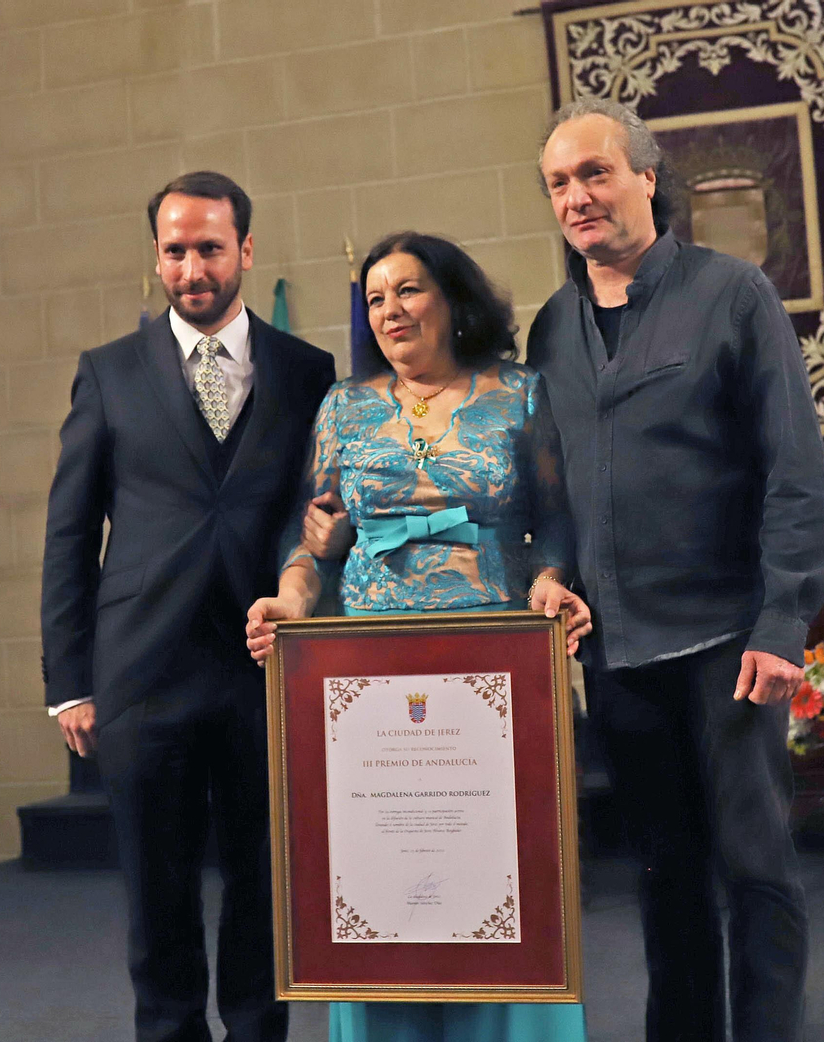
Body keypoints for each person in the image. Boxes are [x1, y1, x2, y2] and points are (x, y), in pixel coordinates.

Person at [526, 98, 824, 1042]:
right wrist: (547, 570)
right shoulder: (548, 330)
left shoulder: (733, 295)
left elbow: (796, 477)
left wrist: (784, 626)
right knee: (665, 884)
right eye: (559, 183)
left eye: (595, 173)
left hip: (728, 648)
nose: (578, 196)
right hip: (617, 658)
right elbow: (548, 493)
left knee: (756, 870)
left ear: (647, 178)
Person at [245, 231, 593, 1042]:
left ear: (452, 298)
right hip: (368, 676)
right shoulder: (343, 406)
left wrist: (553, 579)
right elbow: (312, 538)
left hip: (494, 671)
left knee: (494, 881)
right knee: (385, 881)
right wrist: (290, 602)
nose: (390, 310)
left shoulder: (521, 394)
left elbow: (557, 519)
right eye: (374, 298)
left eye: (408, 290)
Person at [40, 171, 337, 1042]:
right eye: (175, 250)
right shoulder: (106, 373)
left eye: (210, 247)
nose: (191, 266)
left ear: (245, 249)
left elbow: (311, 508)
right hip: (142, 670)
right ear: (157, 258)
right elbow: (68, 536)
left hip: (261, 665)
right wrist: (69, 682)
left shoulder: (307, 370)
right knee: (158, 893)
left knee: (262, 884)